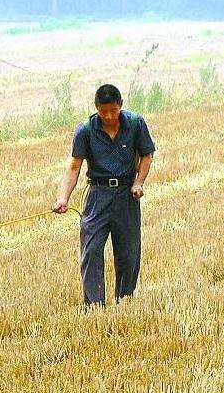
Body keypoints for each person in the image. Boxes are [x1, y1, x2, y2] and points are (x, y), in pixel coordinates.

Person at [52, 84, 156, 308]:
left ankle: (124, 302)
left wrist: (139, 183)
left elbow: (147, 156)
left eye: (113, 110)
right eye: (103, 111)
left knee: (128, 253)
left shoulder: (136, 124)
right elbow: (74, 166)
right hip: (97, 195)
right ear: (96, 108)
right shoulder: (85, 130)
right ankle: (94, 307)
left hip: (126, 195)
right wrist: (63, 198)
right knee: (91, 252)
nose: (108, 116)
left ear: (121, 105)